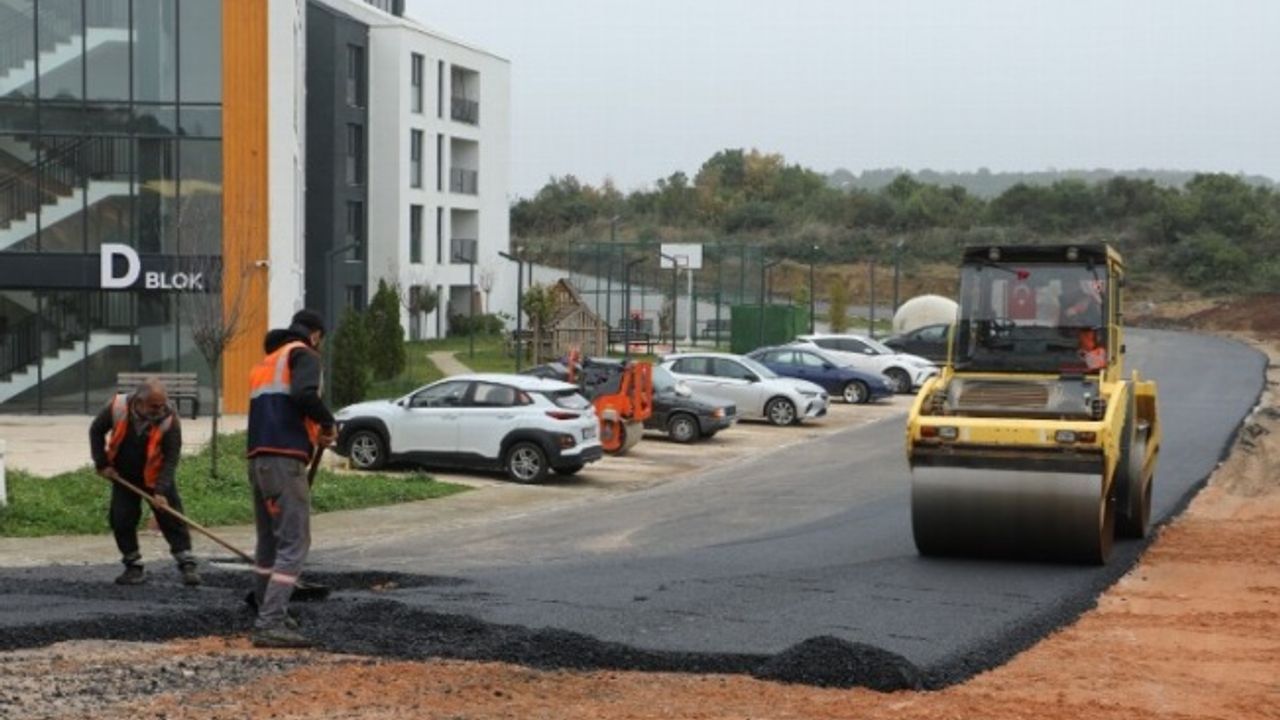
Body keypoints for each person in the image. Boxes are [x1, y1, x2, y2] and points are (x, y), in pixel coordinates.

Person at [245, 309, 337, 648]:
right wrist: (328, 423)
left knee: (268, 541)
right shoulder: (303, 354)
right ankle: (270, 623)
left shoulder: (267, 362)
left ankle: (267, 609)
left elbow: (281, 407)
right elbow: (303, 395)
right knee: (294, 543)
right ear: (315, 335)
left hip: (259, 460)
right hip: (284, 460)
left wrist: (314, 432)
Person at [89, 378, 200, 587]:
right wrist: (102, 464)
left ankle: (187, 563)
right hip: (124, 475)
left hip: (156, 475)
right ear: (139, 402)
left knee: (171, 517)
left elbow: (171, 457)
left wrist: (161, 490)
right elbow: (95, 431)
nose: (160, 409)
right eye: (154, 406)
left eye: (162, 404)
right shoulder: (118, 407)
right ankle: (133, 566)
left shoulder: (169, 418)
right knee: (121, 518)